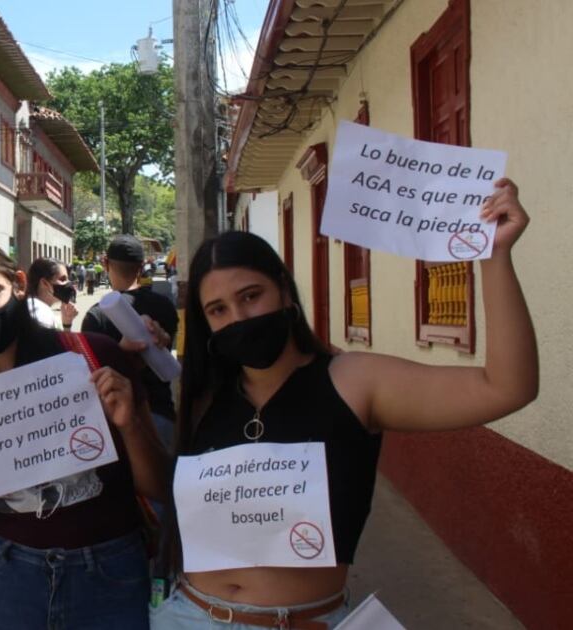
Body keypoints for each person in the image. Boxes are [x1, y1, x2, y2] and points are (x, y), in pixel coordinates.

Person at [151, 179, 537, 628]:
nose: (237, 318)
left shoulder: (353, 380)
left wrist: (495, 256)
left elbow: (507, 387)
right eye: (218, 310)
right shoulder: (205, 397)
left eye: (250, 296)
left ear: (283, 290)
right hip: (188, 615)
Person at [0, 234, 169, 629]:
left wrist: (130, 425)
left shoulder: (94, 357)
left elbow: (160, 486)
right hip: (6, 578)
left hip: (111, 575)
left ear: (18, 283)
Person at [82, 235, 180, 458]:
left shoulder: (96, 316)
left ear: (106, 263)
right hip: (161, 413)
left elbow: (90, 376)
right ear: (142, 266)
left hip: (115, 422)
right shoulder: (164, 306)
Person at [26, 257, 78, 330]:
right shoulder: (39, 314)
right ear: (44, 283)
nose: (68, 283)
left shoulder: (36, 308)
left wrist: (66, 323)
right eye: (63, 279)